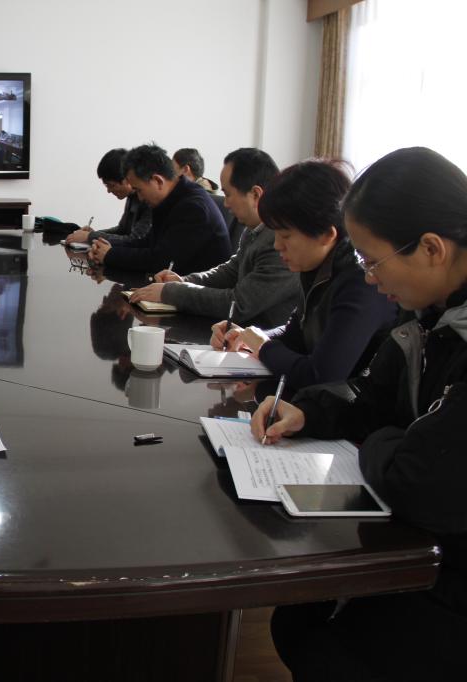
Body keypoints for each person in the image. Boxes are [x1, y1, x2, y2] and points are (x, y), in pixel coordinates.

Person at [250, 147, 467, 681]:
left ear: (432, 249)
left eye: (372, 260)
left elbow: (420, 483)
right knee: (298, 621)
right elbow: (370, 397)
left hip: (452, 573)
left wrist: (388, 438)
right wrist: (307, 411)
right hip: (426, 545)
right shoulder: (425, 317)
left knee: (324, 645)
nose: (368, 277)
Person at [211, 159, 396, 391]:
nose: (277, 245)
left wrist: (264, 346)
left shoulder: (362, 282)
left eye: (286, 236)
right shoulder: (315, 265)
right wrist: (248, 337)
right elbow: (295, 336)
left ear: (326, 235)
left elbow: (320, 376)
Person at [129, 148, 300, 328]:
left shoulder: (280, 242)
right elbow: (230, 272)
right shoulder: (254, 229)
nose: (225, 204)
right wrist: (184, 281)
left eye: (228, 194)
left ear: (255, 195)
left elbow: (238, 304)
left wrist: (170, 292)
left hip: (261, 336)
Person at [88, 144, 231, 275]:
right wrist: (106, 247)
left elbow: (161, 262)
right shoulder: (171, 198)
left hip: (200, 289)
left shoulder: (194, 207)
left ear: (158, 181)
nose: (140, 198)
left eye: (139, 190)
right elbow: (146, 242)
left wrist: (110, 255)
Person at [65, 147, 152, 244]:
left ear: (127, 179)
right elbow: (122, 230)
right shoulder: (132, 197)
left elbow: (135, 240)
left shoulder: (150, 200)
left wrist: (90, 236)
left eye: (111, 185)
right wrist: (93, 234)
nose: (108, 191)